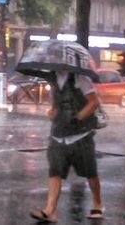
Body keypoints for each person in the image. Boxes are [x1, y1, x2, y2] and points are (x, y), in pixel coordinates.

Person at [30, 70, 104, 223]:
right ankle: (50, 210)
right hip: (59, 136)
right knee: (55, 172)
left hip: (81, 136)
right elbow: (55, 105)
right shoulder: (53, 79)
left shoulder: (80, 78)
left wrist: (77, 118)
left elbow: (94, 102)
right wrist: (52, 113)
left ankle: (98, 203)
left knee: (90, 172)